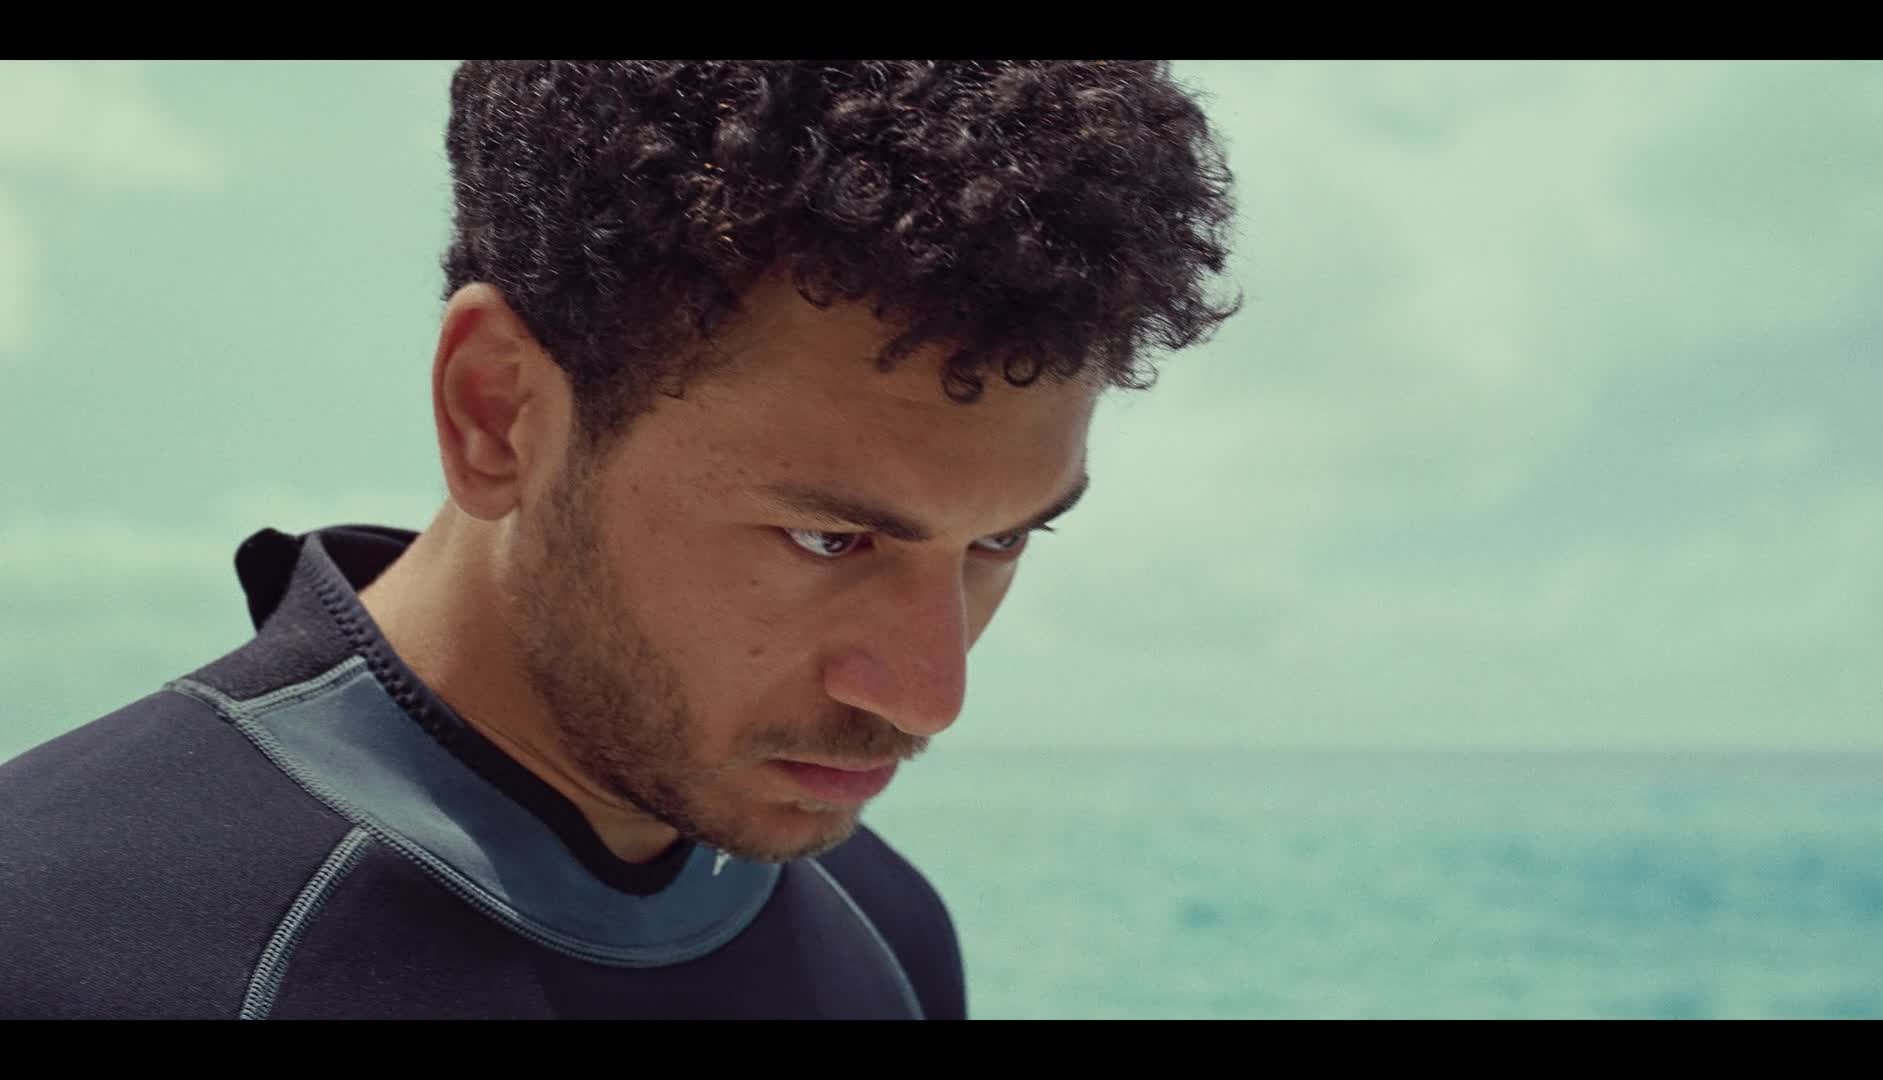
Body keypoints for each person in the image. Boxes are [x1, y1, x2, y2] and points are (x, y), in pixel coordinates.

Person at [0, 60, 1240, 1019]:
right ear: (498, 412)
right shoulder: (46, 937)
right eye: (827, 540)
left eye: (1001, 543)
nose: (929, 694)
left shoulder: (890, 942)